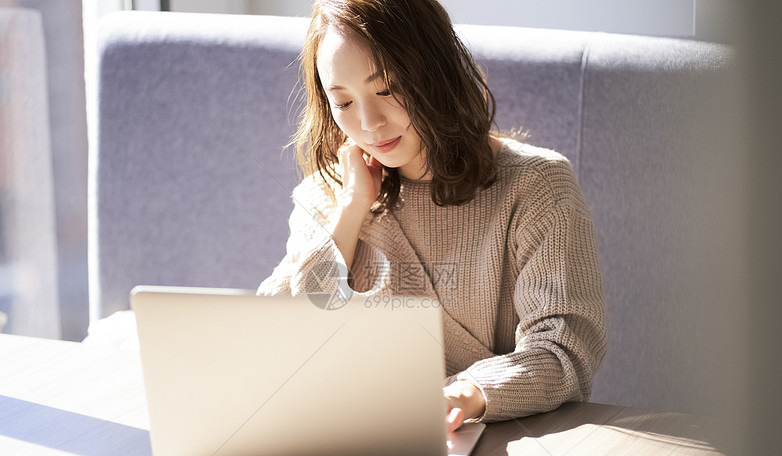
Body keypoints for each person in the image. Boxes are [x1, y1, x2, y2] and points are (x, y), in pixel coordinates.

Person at [257, 0, 606, 432]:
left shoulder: (536, 186)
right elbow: (276, 339)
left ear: (436, 74)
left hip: (489, 438)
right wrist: (351, 210)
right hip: (352, 435)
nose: (369, 122)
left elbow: (565, 350)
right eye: (343, 102)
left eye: (387, 89)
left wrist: (467, 394)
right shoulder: (330, 194)